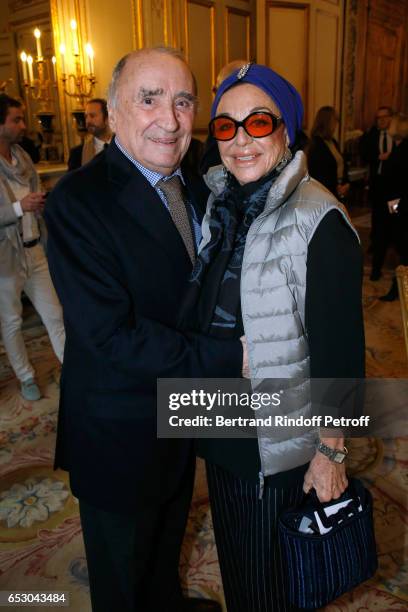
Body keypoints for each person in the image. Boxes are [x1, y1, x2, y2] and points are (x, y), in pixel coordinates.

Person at [44, 47, 245, 612]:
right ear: (113, 113)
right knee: (124, 584)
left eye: (183, 101)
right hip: (120, 433)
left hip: (180, 418)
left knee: (162, 556)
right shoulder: (77, 201)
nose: (170, 119)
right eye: (149, 99)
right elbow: (110, 336)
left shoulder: (199, 185)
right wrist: (233, 361)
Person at [179, 63, 365, 611]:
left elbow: (343, 352)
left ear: (287, 130)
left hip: (277, 445)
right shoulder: (223, 204)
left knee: (270, 587)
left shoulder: (318, 218)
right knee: (242, 569)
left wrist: (331, 453)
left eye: (258, 123)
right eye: (225, 126)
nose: (240, 140)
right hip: (224, 421)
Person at [0, 94, 65, 401]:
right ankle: (26, 377)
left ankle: (72, 367)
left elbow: (35, 189)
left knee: (54, 314)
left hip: (34, 248)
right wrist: (18, 207)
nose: (23, 125)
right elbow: (15, 206)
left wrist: (37, 206)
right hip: (5, 258)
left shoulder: (22, 157)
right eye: (16, 119)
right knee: (11, 321)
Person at [360, 106, 394, 280]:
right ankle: (376, 241)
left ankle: (390, 242)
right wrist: (378, 157)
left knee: (393, 214)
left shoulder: (396, 137)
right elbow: (365, 154)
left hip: (394, 187)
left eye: (384, 117)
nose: (381, 120)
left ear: (391, 118)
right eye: (378, 118)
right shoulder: (372, 136)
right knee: (377, 214)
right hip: (377, 182)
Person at [378, 113, 408, 301]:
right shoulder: (400, 148)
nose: (388, 125)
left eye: (392, 124)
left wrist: (393, 208)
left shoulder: (403, 150)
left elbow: (399, 182)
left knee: (403, 247)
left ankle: (398, 290)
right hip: (397, 202)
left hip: (400, 205)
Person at [307, 105, 350, 199]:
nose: (336, 125)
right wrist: (335, 187)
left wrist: (346, 183)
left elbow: (341, 163)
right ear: (326, 122)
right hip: (325, 193)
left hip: (338, 190)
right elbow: (318, 173)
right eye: (334, 121)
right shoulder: (316, 144)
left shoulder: (333, 142)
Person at [67, 98, 112, 171]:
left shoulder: (125, 148)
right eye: (86, 117)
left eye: (92, 116)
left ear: (107, 118)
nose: (88, 121)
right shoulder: (77, 153)